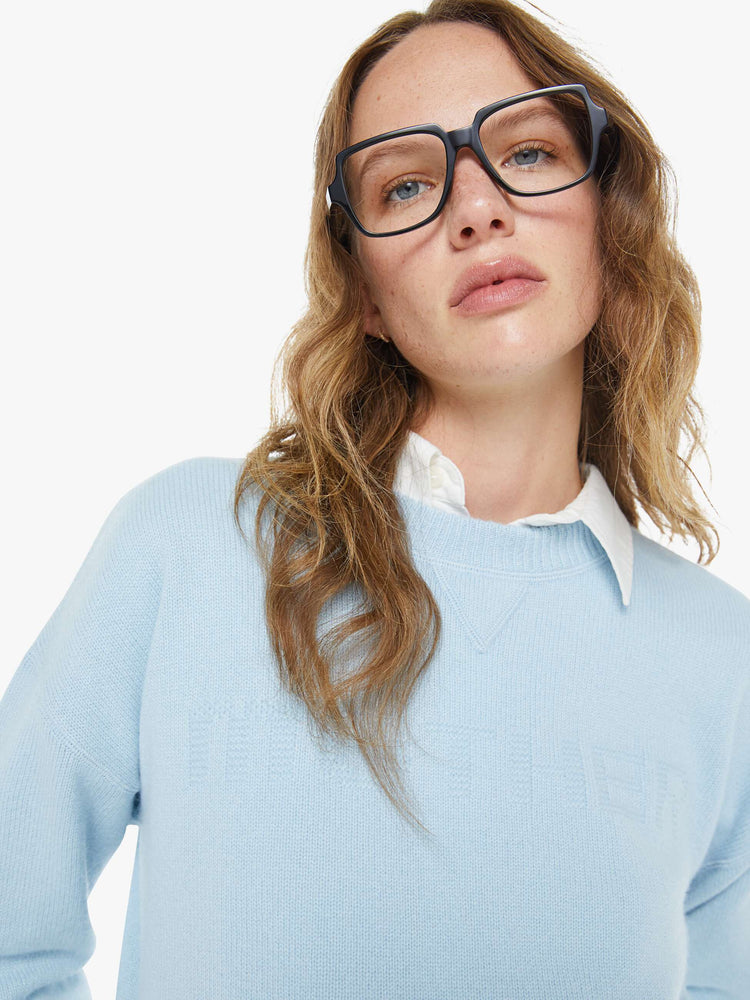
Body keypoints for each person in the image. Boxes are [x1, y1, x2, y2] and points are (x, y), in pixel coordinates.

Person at [1, 0, 748, 997]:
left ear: (607, 226)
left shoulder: (721, 662)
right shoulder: (189, 545)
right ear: (366, 294)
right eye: (406, 184)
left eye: (525, 153)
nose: (478, 209)